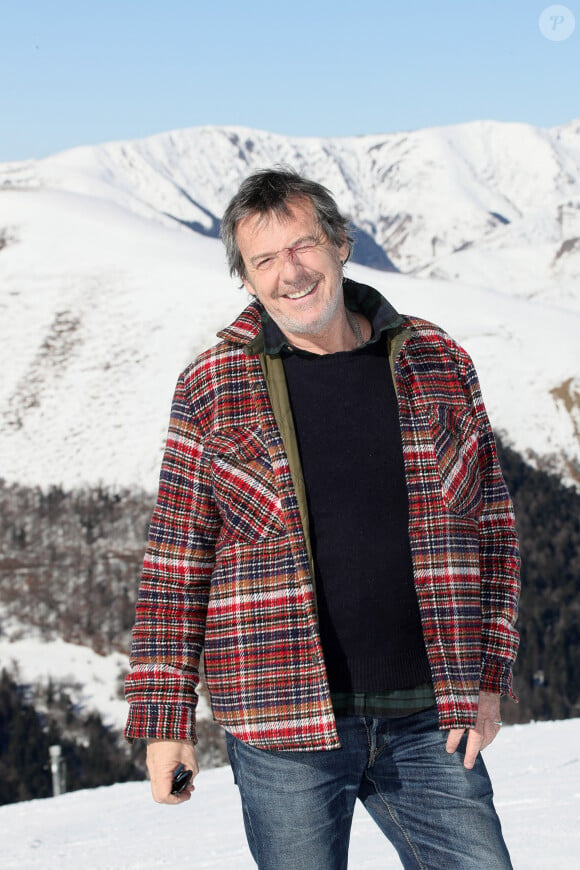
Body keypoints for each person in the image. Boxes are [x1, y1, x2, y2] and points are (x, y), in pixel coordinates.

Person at [125, 168, 520, 870]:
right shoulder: (213, 385)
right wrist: (165, 725)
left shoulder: (437, 360)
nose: (290, 272)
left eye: (302, 245)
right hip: (282, 724)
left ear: (339, 243)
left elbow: (494, 530)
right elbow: (175, 564)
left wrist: (488, 678)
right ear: (245, 278)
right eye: (265, 259)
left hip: (431, 713)